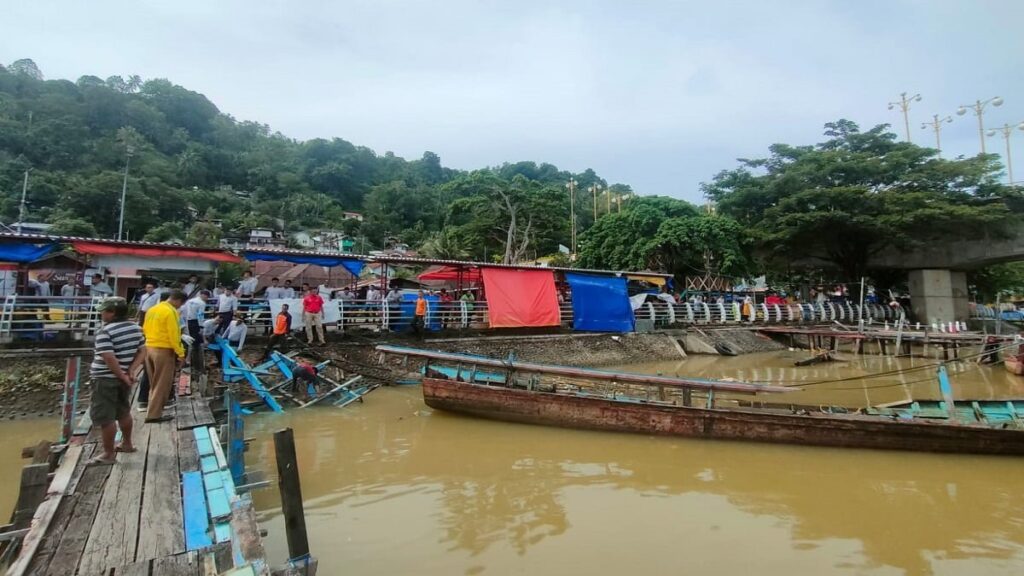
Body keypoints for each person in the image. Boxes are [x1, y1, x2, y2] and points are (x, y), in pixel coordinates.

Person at [87, 297, 144, 465]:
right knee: (123, 411)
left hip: (105, 378)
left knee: (106, 417)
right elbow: (142, 351)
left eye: (103, 311)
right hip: (124, 378)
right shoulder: (136, 328)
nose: (101, 313)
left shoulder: (105, 331)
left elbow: (108, 357)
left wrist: (121, 375)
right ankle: (127, 443)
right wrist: (131, 371)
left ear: (112, 312)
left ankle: (108, 454)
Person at [142, 289, 186, 422]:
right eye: (181, 303)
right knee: (162, 384)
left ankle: (152, 410)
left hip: (149, 347)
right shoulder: (171, 311)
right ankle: (154, 415)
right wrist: (181, 353)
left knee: (154, 382)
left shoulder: (152, 309)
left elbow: (144, 328)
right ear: (177, 300)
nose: (180, 306)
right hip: (163, 350)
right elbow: (174, 335)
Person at [183, 290, 210, 368]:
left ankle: (189, 358)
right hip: (195, 322)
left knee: (189, 339)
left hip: (188, 320)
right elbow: (200, 315)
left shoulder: (190, 301)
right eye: (206, 297)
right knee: (194, 341)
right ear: (204, 295)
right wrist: (201, 326)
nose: (206, 298)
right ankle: (190, 359)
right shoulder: (202, 303)